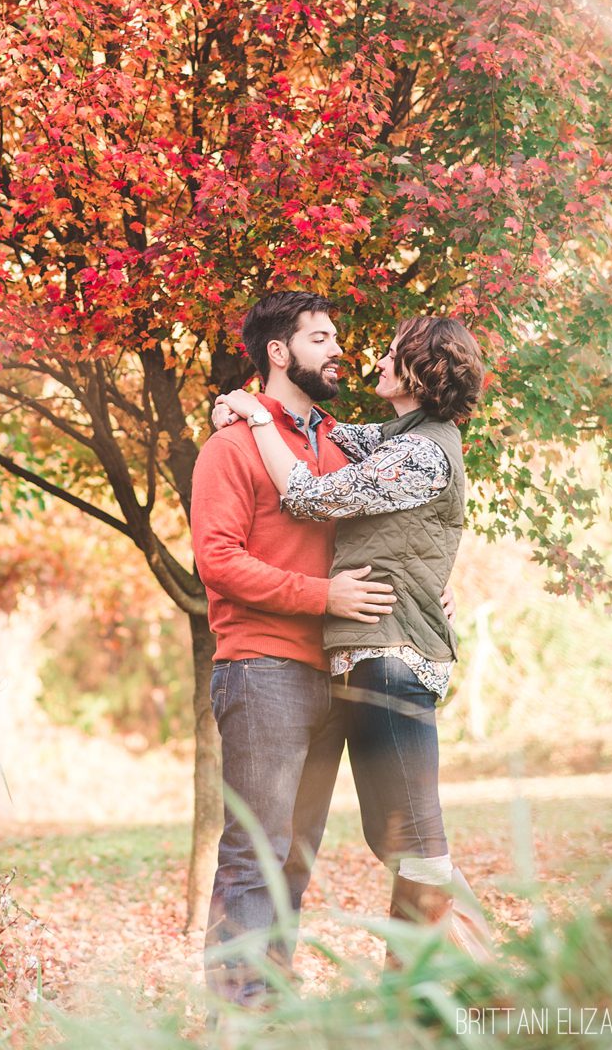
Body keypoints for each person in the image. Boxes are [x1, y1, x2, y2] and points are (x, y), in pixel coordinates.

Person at [216, 313, 493, 965]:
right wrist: (247, 402)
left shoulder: (423, 449)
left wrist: (255, 422)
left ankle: (461, 987)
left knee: (416, 844)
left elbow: (310, 496)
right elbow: (323, 435)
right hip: (370, 660)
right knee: (395, 838)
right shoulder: (401, 436)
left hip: (391, 660)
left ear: (421, 375)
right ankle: (433, 990)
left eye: (392, 356)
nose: (374, 362)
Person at [191, 291, 398, 1008]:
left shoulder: (346, 445)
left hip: (336, 671)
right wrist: (323, 597)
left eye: (336, 336)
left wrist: (429, 589)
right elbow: (217, 561)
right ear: (278, 353)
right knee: (257, 854)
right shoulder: (232, 445)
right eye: (319, 338)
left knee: (297, 856)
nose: (337, 348)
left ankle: (273, 1005)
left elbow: (392, 527)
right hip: (261, 671)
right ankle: (238, 1015)